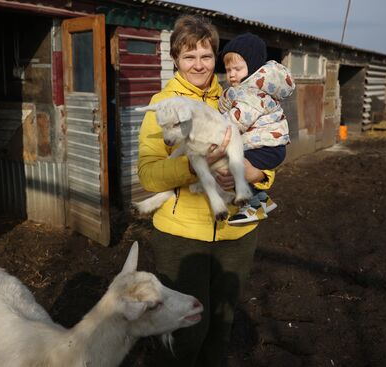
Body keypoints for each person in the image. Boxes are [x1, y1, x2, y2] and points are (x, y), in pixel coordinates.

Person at [138, 15, 275, 367]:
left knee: (221, 325)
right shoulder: (162, 105)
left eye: (206, 55)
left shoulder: (237, 97)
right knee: (186, 330)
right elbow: (148, 176)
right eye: (189, 56)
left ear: (216, 57)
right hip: (182, 237)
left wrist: (256, 174)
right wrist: (193, 164)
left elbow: (267, 148)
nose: (198, 64)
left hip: (237, 231)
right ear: (175, 60)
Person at [219, 32, 295, 225]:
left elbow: (237, 121)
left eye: (237, 68)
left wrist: (217, 125)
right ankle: (263, 199)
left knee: (235, 164)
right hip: (270, 146)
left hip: (266, 148)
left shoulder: (252, 94)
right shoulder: (248, 91)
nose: (231, 74)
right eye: (228, 70)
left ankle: (252, 206)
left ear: (252, 68)